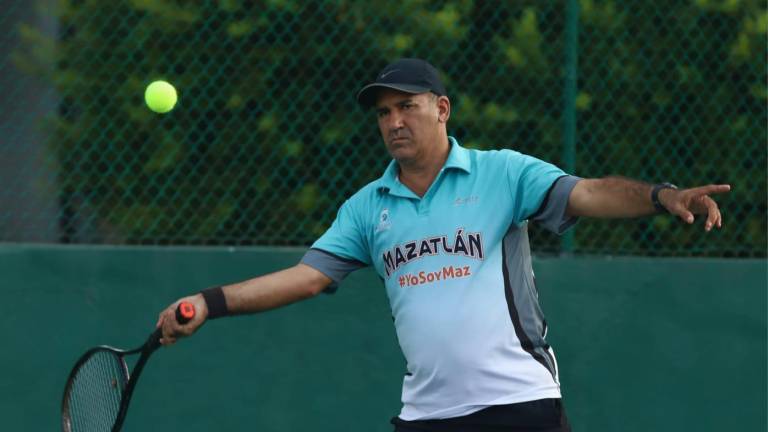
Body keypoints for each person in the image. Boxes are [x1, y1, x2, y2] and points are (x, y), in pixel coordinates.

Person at [157, 58, 730, 432]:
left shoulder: (502, 173)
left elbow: (590, 194)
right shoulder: (366, 208)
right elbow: (307, 276)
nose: (394, 121)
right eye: (384, 112)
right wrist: (211, 301)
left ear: (441, 108)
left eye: (407, 105)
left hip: (518, 404)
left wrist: (662, 196)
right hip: (427, 415)